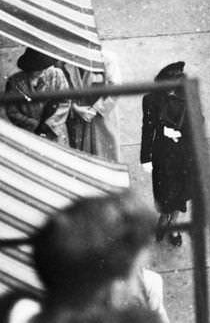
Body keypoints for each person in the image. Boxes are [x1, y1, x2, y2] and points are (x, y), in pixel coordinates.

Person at [29, 191, 169, 323]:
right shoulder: (140, 317)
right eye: (134, 273)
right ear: (113, 288)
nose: (134, 288)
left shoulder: (17, 308)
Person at [140, 60, 192, 246]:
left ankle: (174, 223)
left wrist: (181, 131)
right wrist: (145, 157)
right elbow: (148, 128)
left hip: (184, 153)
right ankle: (164, 217)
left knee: (180, 192)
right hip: (162, 154)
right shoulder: (151, 100)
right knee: (163, 190)